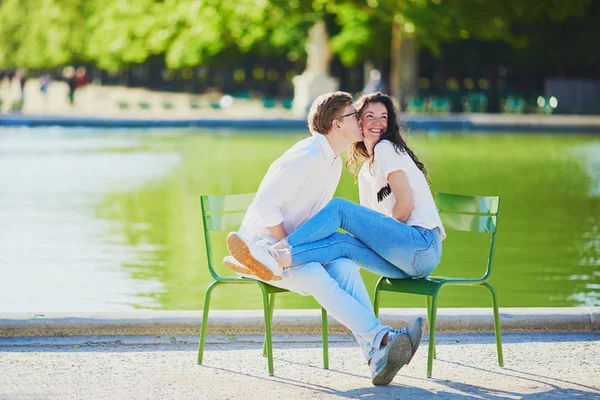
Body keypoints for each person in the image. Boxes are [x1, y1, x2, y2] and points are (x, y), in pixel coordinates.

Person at [223, 91, 424, 386]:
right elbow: (266, 203)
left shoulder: (333, 163)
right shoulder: (305, 156)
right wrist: (287, 248)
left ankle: (376, 355)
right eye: (354, 116)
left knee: (344, 265)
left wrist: (303, 249)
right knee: (315, 273)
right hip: (265, 248)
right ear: (336, 124)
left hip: (296, 250)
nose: (361, 121)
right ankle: (382, 338)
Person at [227, 91, 445, 305]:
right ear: (358, 121)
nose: (377, 122)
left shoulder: (386, 149)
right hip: (402, 264)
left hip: (422, 245)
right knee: (340, 242)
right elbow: (367, 232)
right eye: (369, 116)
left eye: (384, 117)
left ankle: (271, 254)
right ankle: (274, 261)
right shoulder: (366, 173)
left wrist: (384, 233)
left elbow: (405, 206)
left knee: (340, 209)